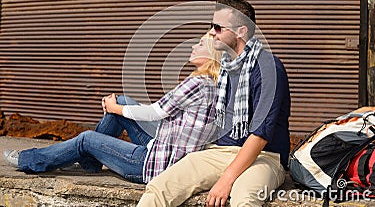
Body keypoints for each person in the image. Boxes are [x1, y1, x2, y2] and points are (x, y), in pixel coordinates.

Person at [2, 33, 222, 184]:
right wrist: (119, 106)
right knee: (124, 101)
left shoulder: (197, 83)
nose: (193, 46)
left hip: (152, 165)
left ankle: (29, 161)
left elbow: (156, 112)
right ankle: (91, 161)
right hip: (165, 151)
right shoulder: (213, 84)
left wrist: (114, 109)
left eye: (200, 44)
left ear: (212, 54)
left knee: (86, 139)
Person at [137, 0, 291, 207]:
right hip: (219, 152)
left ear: (241, 32)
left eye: (218, 27)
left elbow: (260, 135)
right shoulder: (227, 68)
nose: (212, 32)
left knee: (244, 199)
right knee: (159, 188)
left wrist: (226, 179)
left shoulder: (268, 67)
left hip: (264, 157)